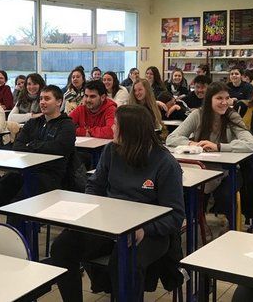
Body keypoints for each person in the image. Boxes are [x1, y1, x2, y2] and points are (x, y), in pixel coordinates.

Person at [49, 105, 185, 301]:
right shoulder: (111, 150)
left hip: (148, 231)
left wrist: (145, 229)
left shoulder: (165, 163)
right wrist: (91, 212)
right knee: (62, 247)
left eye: (116, 125)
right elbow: (95, 186)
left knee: (124, 263)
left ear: (130, 131)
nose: (111, 128)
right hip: (109, 224)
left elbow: (175, 215)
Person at [0, 85, 76, 224]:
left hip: (49, 175)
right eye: (41, 98)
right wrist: (38, 146)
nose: (42, 102)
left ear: (59, 102)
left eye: (47, 99)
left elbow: (59, 148)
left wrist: (33, 145)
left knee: (17, 206)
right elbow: (18, 145)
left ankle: (14, 238)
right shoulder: (33, 122)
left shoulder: (67, 125)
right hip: (24, 170)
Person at [166, 82, 253, 221]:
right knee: (183, 194)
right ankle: (199, 223)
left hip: (227, 170)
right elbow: (172, 139)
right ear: (209, 100)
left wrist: (219, 146)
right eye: (219, 98)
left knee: (225, 195)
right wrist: (193, 144)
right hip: (201, 168)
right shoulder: (198, 114)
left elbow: (251, 145)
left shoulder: (232, 116)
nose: (224, 102)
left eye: (227, 98)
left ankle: (231, 224)